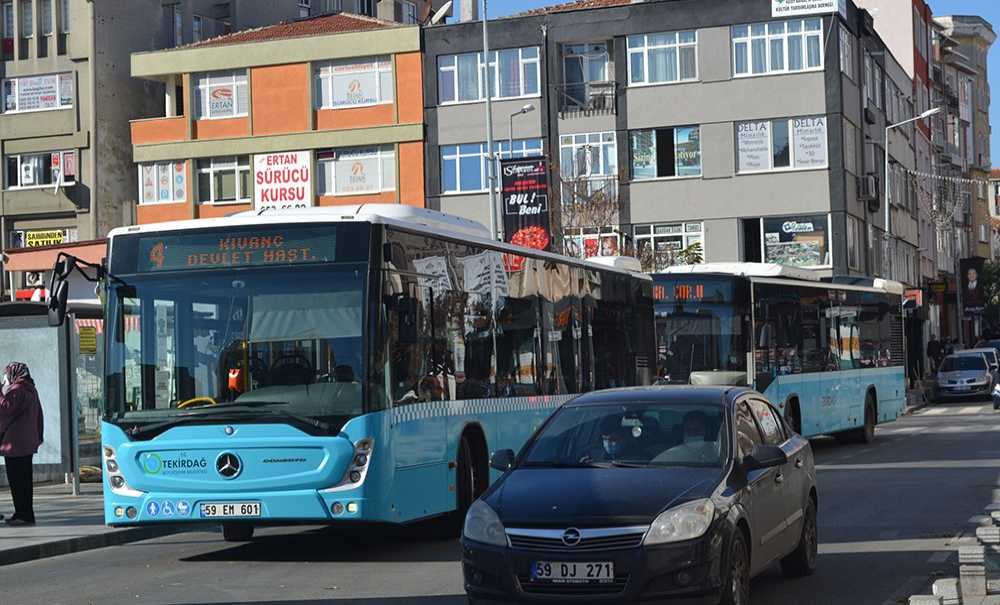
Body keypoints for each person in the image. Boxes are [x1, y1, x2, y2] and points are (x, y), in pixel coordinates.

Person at [0, 362, 43, 526]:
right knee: (25, 481)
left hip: (15, 444)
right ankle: (25, 513)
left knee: (17, 482)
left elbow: (5, 409)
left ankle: (22, 514)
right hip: (26, 444)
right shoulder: (30, 388)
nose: (5, 377)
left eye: (6, 373)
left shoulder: (17, 390)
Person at [654, 411, 721, 465]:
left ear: (707, 431)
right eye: (688, 430)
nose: (692, 434)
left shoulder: (718, 452)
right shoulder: (669, 454)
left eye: (696, 430)